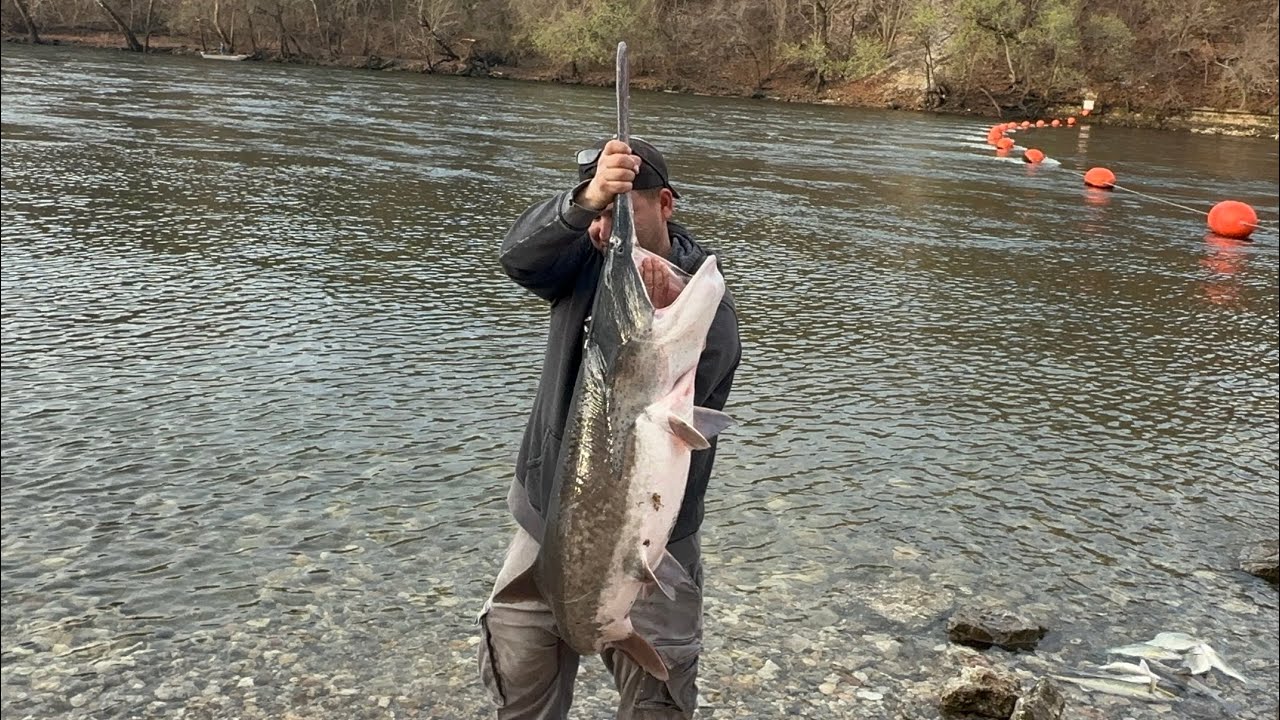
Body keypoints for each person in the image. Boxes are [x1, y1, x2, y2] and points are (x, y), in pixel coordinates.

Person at [476, 136, 742, 720]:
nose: (604, 227)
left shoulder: (701, 302)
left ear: (666, 204)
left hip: (655, 538)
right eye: (598, 211)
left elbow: (700, 367)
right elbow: (519, 256)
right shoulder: (578, 258)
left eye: (622, 209)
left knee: (658, 699)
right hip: (545, 522)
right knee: (518, 686)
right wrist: (584, 201)